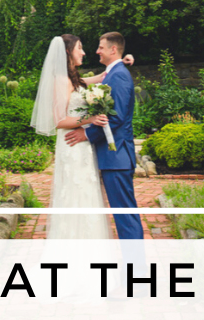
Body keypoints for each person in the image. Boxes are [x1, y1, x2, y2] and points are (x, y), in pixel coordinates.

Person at [30, 33, 112, 239]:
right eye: (80, 48)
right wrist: (89, 119)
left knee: (86, 192)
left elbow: (99, 78)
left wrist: (119, 62)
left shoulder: (72, 79)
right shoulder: (60, 81)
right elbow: (59, 121)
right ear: (68, 52)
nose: (84, 52)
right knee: (75, 193)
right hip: (72, 144)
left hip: (81, 145)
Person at [64, 32, 144, 240]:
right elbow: (85, 82)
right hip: (112, 159)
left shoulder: (118, 75)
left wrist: (87, 133)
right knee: (123, 216)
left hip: (116, 158)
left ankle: (135, 270)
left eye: (101, 47)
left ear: (113, 49)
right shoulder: (113, 73)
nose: (96, 50)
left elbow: (116, 117)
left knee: (125, 218)